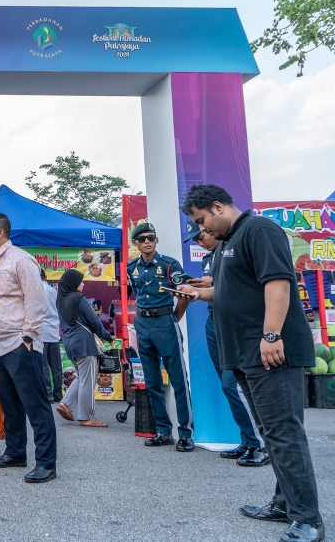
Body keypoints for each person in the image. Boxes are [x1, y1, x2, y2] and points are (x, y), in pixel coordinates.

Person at [180, 184, 324, 542]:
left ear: (217, 206)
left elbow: (278, 282)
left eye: (202, 221)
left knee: (284, 434)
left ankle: (308, 520)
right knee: (271, 434)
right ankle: (284, 505)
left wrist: (272, 335)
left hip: (269, 351)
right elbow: (231, 291)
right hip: (245, 353)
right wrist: (198, 293)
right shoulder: (229, 242)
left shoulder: (259, 230)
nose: (203, 231)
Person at [0, 212, 57, 483]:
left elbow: (36, 301)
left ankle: (46, 463)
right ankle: (15, 452)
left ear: (0, 232)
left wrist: (28, 337)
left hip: (19, 344)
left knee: (35, 405)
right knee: (9, 405)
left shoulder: (21, 259)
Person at [185, 219, 268, 467]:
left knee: (235, 384)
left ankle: (260, 444)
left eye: (202, 235)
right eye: (196, 239)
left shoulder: (234, 250)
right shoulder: (209, 258)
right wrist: (198, 289)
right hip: (215, 321)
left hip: (238, 323)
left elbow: (244, 286)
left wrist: (213, 283)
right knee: (227, 383)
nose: (201, 241)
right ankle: (248, 439)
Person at [126, 222, 194, 452]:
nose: (147, 241)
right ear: (135, 243)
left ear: (156, 240)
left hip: (165, 322)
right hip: (142, 323)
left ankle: (185, 433)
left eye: (151, 237)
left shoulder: (169, 265)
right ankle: (163, 431)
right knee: (152, 382)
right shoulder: (131, 267)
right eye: (142, 238)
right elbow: (137, 294)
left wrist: (172, 319)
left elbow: (183, 295)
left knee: (178, 381)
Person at [54, 269, 112, 427]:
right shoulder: (79, 298)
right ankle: (87, 417)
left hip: (69, 342)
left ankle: (66, 404)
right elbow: (94, 320)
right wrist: (106, 335)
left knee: (81, 376)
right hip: (84, 343)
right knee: (88, 380)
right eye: (81, 281)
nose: (83, 283)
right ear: (73, 283)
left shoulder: (61, 300)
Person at [39, 268, 63, 404]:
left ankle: (48, 394)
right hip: (54, 331)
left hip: (41, 332)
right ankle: (58, 393)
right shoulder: (54, 291)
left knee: (43, 365)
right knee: (56, 366)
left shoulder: (35, 291)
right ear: (46, 277)